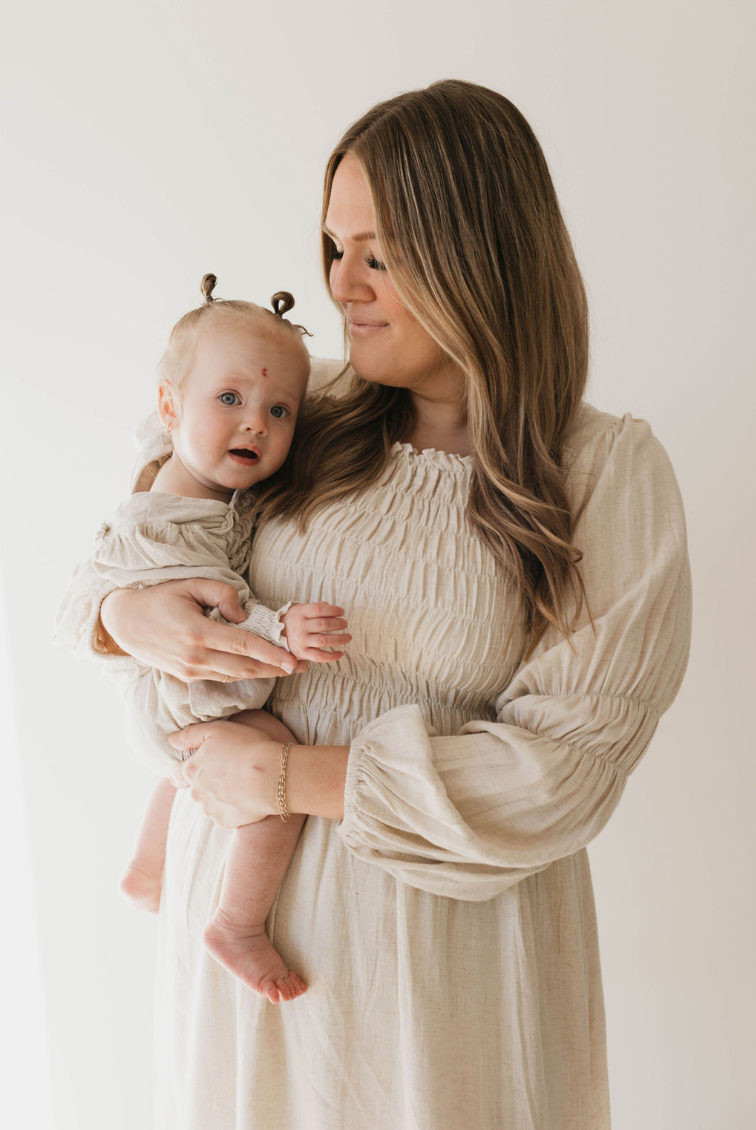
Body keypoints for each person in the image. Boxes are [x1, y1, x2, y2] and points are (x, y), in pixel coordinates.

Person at [56, 79, 692, 1129]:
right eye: (333, 245)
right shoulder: (291, 407)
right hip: (236, 964)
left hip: (441, 977)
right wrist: (131, 615)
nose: (340, 285)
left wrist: (288, 774)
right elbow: (123, 549)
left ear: (475, 254)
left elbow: (565, 773)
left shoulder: (602, 472)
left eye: (378, 255)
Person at [57, 277, 351, 1003]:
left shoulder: (172, 459)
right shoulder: (176, 520)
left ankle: (146, 866)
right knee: (275, 762)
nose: (255, 425)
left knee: (185, 766)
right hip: (178, 696)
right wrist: (279, 629)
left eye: (279, 410)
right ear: (171, 406)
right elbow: (215, 618)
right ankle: (237, 923)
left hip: (162, 704)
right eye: (229, 399)